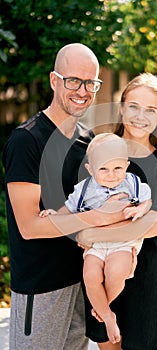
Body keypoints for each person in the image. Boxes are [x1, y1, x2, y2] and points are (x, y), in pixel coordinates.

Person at [2, 43, 131, 350]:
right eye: (73, 80)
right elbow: (30, 226)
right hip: (41, 289)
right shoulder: (26, 140)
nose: (82, 91)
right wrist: (98, 217)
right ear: (53, 80)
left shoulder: (89, 142)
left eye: (91, 83)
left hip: (81, 283)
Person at [81, 73, 157, 350]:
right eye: (134, 106)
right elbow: (81, 204)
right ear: (121, 108)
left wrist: (93, 229)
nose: (140, 116)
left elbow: (155, 224)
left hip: (143, 272)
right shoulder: (97, 149)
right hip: (99, 271)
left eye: (151, 110)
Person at [39, 132, 152, 344]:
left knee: (116, 271)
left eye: (118, 168)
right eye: (103, 169)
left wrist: (141, 210)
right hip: (97, 245)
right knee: (90, 275)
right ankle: (107, 316)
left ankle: (103, 308)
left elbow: (147, 199)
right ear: (91, 169)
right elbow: (70, 209)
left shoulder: (132, 183)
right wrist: (55, 214)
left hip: (122, 243)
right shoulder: (84, 189)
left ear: (126, 165)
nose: (111, 175)